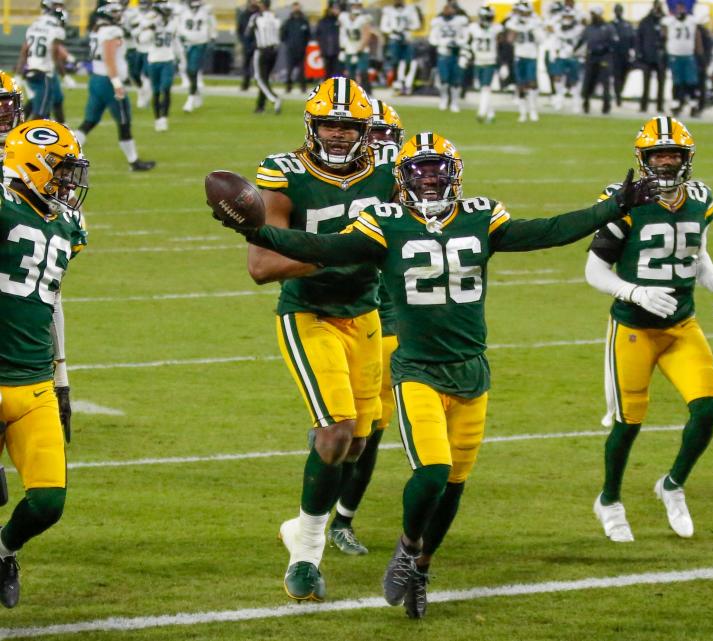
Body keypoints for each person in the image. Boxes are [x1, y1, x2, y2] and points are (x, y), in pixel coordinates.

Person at [216, 131, 660, 619]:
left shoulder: (481, 216)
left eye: (438, 170)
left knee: (452, 484)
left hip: (472, 369)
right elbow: (323, 246)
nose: (429, 180)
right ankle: (394, 548)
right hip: (416, 369)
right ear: (401, 179)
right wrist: (259, 233)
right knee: (431, 471)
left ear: (456, 174)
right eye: (419, 171)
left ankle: (419, 564)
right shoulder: (384, 223)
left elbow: (547, 231)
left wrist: (611, 208)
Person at [247, 77, 395, 602]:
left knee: (357, 440)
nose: (337, 133)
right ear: (312, 126)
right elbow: (262, 266)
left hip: (366, 313)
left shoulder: (387, 173)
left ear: (364, 129)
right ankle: (308, 553)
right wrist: (342, 251)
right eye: (329, 123)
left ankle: (300, 527)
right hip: (309, 312)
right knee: (334, 433)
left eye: (348, 124)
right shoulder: (283, 173)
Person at [588, 117, 713, 542]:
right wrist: (634, 293)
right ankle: (609, 499)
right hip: (634, 328)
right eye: (660, 154)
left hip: (681, 324)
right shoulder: (625, 201)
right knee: (629, 421)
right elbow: (594, 269)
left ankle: (672, 484)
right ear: (644, 158)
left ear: (687, 158)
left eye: (674, 154)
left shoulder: (701, 198)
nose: (668, 162)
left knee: (706, 410)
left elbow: (696, 252)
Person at [0, 118, 90, 609]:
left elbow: (51, 299)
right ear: (31, 164)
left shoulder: (65, 223)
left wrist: (61, 375)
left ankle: (3, 550)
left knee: (48, 502)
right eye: (62, 170)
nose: (70, 182)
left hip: (33, 382)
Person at [326, 97, 404, 556]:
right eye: (368, 135)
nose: (377, 145)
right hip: (341, 316)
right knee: (336, 425)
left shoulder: (408, 185)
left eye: (383, 137)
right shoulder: (326, 187)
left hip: (390, 320)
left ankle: (343, 519)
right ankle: (315, 516)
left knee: (371, 429)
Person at [75, 3, 155, 171]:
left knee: (90, 120)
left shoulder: (98, 30)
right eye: (116, 13)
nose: (119, 15)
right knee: (124, 121)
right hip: (108, 81)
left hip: (97, 79)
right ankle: (134, 162)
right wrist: (117, 83)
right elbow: (109, 58)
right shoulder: (111, 31)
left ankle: (68, 152)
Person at [16, 0, 69, 122]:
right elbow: (55, 54)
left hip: (30, 70)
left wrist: (18, 74)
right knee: (41, 112)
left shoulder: (34, 25)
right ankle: (23, 135)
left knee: (39, 104)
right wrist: (65, 75)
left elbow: (24, 51)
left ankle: (15, 126)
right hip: (44, 72)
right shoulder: (56, 29)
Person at [140, 0, 177, 131]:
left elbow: (174, 39)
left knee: (166, 89)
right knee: (155, 92)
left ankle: (164, 118)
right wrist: (151, 29)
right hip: (154, 60)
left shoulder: (172, 24)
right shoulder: (151, 22)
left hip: (167, 59)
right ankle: (157, 119)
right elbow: (142, 39)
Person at [504, 0, 543, 122]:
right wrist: (516, 30)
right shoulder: (513, 22)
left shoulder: (535, 22)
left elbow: (541, 39)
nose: (523, 14)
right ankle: (523, 112)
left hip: (531, 55)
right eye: (521, 12)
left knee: (531, 83)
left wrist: (532, 31)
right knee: (521, 84)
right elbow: (509, 40)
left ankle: (533, 110)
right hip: (519, 55)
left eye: (525, 12)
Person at [464, 5, 502, 122]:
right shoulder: (473, 28)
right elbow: (467, 43)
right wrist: (465, 57)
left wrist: (503, 63)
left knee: (485, 88)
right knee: (482, 88)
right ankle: (490, 113)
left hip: (490, 60)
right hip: (478, 61)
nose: (487, 21)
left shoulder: (497, 29)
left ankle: (481, 112)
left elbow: (502, 46)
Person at [662, 3, 700, 116]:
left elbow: (697, 33)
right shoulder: (670, 21)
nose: (680, 11)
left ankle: (693, 105)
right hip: (675, 55)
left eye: (682, 9)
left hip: (688, 55)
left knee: (691, 82)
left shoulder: (692, 20)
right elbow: (663, 30)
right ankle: (675, 104)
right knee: (677, 82)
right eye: (678, 9)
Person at [429, 2, 468, 112]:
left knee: (456, 81)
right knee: (444, 80)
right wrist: (444, 43)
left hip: (457, 54)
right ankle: (444, 99)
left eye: (450, 9)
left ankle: (455, 102)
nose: (448, 11)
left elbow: (465, 37)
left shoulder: (460, 21)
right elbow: (432, 38)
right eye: (446, 8)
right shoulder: (438, 22)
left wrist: (457, 43)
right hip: (443, 53)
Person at [178, 0, 216, 112]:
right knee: (188, 70)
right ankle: (196, 92)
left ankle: (190, 99)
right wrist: (180, 35)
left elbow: (212, 24)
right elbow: (178, 25)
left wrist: (212, 36)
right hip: (186, 44)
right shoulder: (182, 11)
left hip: (199, 44)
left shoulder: (205, 11)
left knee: (193, 70)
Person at [247, 0, 282, 114]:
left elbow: (248, 33)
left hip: (262, 50)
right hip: (274, 51)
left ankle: (274, 98)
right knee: (265, 78)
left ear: (262, 5)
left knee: (259, 79)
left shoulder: (256, 17)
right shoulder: (274, 16)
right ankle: (260, 106)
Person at [380, 0, 421, 95]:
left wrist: (407, 27)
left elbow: (417, 24)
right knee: (395, 62)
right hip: (394, 38)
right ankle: (397, 84)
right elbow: (383, 26)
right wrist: (393, 30)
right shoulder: (388, 10)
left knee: (408, 62)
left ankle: (406, 84)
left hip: (407, 38)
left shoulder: (410, 9)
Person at [578, 6, 614, 114]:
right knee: (588, 81)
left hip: (604, 57)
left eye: (594, 14)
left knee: (605, 82)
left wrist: (604, 48)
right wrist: (575, 50)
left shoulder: (608, 27)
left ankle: (606, 105)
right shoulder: (589, 28)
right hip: (591, 57)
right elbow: (581, 40)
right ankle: (586, 101)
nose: (592, 16)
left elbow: (613, 43)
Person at [548, 8, 582, 112]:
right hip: (560, 55)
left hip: (573, 56)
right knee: (557, 77)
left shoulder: (578, 28)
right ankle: (559, 98)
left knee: (574, 80)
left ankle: (576, 102)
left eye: (569, 17)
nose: (567, 19)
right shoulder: (557, 27)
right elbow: (549, 26)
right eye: (565, 17)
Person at [122, 0, 153, 109]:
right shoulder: (133, 14)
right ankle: (141, 91)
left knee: (147, 73)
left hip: (149, 48)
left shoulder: (153, 15)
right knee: (134, 73)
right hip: (135, 47)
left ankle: (146, 95)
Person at [636, 1, 665, 113]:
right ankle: (644, 105)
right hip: (647, 56)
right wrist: (639, 52)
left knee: (661, 83)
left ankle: (660, 105)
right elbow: (639, 38)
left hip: (661, 57)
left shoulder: (665, 21)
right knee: (646, 82)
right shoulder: (645, 21)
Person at [339, 0, 372, 92]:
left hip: (361, 49)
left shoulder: (364, 18)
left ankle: (367, 92)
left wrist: (359, 49)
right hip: (349, 49)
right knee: (350, 74)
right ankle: (351, 93)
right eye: (354, 5)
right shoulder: (344, 17)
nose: (356, 7)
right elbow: (342, 33)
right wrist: (342, 48)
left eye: (358, 5)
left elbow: (367, 34)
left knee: (363, 72)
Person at [280, 2, 310, 94]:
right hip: (291, 50)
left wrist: (304, 45)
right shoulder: (288, 22)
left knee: (302, 70)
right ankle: (288, 87)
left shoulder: (304, 21)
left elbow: (308, 35)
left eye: (298, 7)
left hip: (301, 49)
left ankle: (303, 87)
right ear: (292, 9)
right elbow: (282, 35)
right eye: (295, 7)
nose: (296, 9)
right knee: (289, 70)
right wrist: (289, 44)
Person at [609, 4, 633, 108]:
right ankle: (618, 95)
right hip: (615, 55)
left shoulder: (627, 24)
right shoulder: (610, 25)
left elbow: (632, 38)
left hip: (625, 54)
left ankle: (619, 92)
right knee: (617, 76)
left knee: (624, 75)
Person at [236, 0, 259, 91]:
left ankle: (260, 84)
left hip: (258, 44)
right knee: (246, 65)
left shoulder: (259, 15)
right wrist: (243, 41)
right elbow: (239, 30)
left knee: (258, 66)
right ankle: (245, 84)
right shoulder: (243, 15)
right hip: (246, 44)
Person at [315, 3, 341, 79]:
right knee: (328, 70)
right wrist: (322, 46)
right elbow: (318, 35)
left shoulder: (338, 20)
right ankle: (328, 87)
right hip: (327, 49)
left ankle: (335, 87)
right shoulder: (323, 21)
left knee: (336, 71)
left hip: (335, 49)